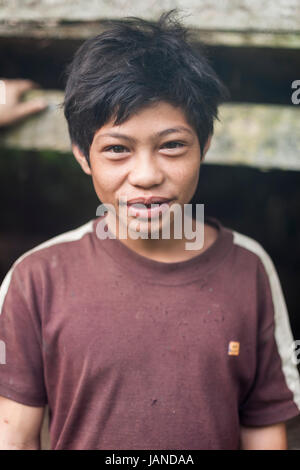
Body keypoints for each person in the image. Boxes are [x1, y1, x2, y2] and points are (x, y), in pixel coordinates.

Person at [0, 11, 299, 451]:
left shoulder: (249, 269)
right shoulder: (36, 277)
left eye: (172, 145)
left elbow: (264, 429)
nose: (146, 175)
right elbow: (15, 437)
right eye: (117, 149)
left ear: (205, 144)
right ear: (83, 156)